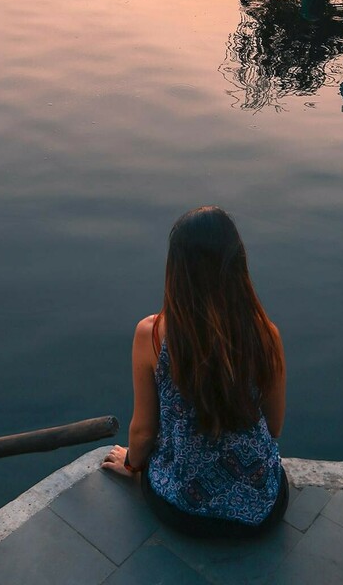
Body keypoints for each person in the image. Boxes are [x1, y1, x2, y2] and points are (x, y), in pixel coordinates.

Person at [102, 206, 288, 538]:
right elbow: (273, 427)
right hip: (263, 508)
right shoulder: (265, 334)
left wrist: (131, 465)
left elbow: (143, 432)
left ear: (177, 269)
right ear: (237, 264)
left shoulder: (154, 334)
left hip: (183, 509)